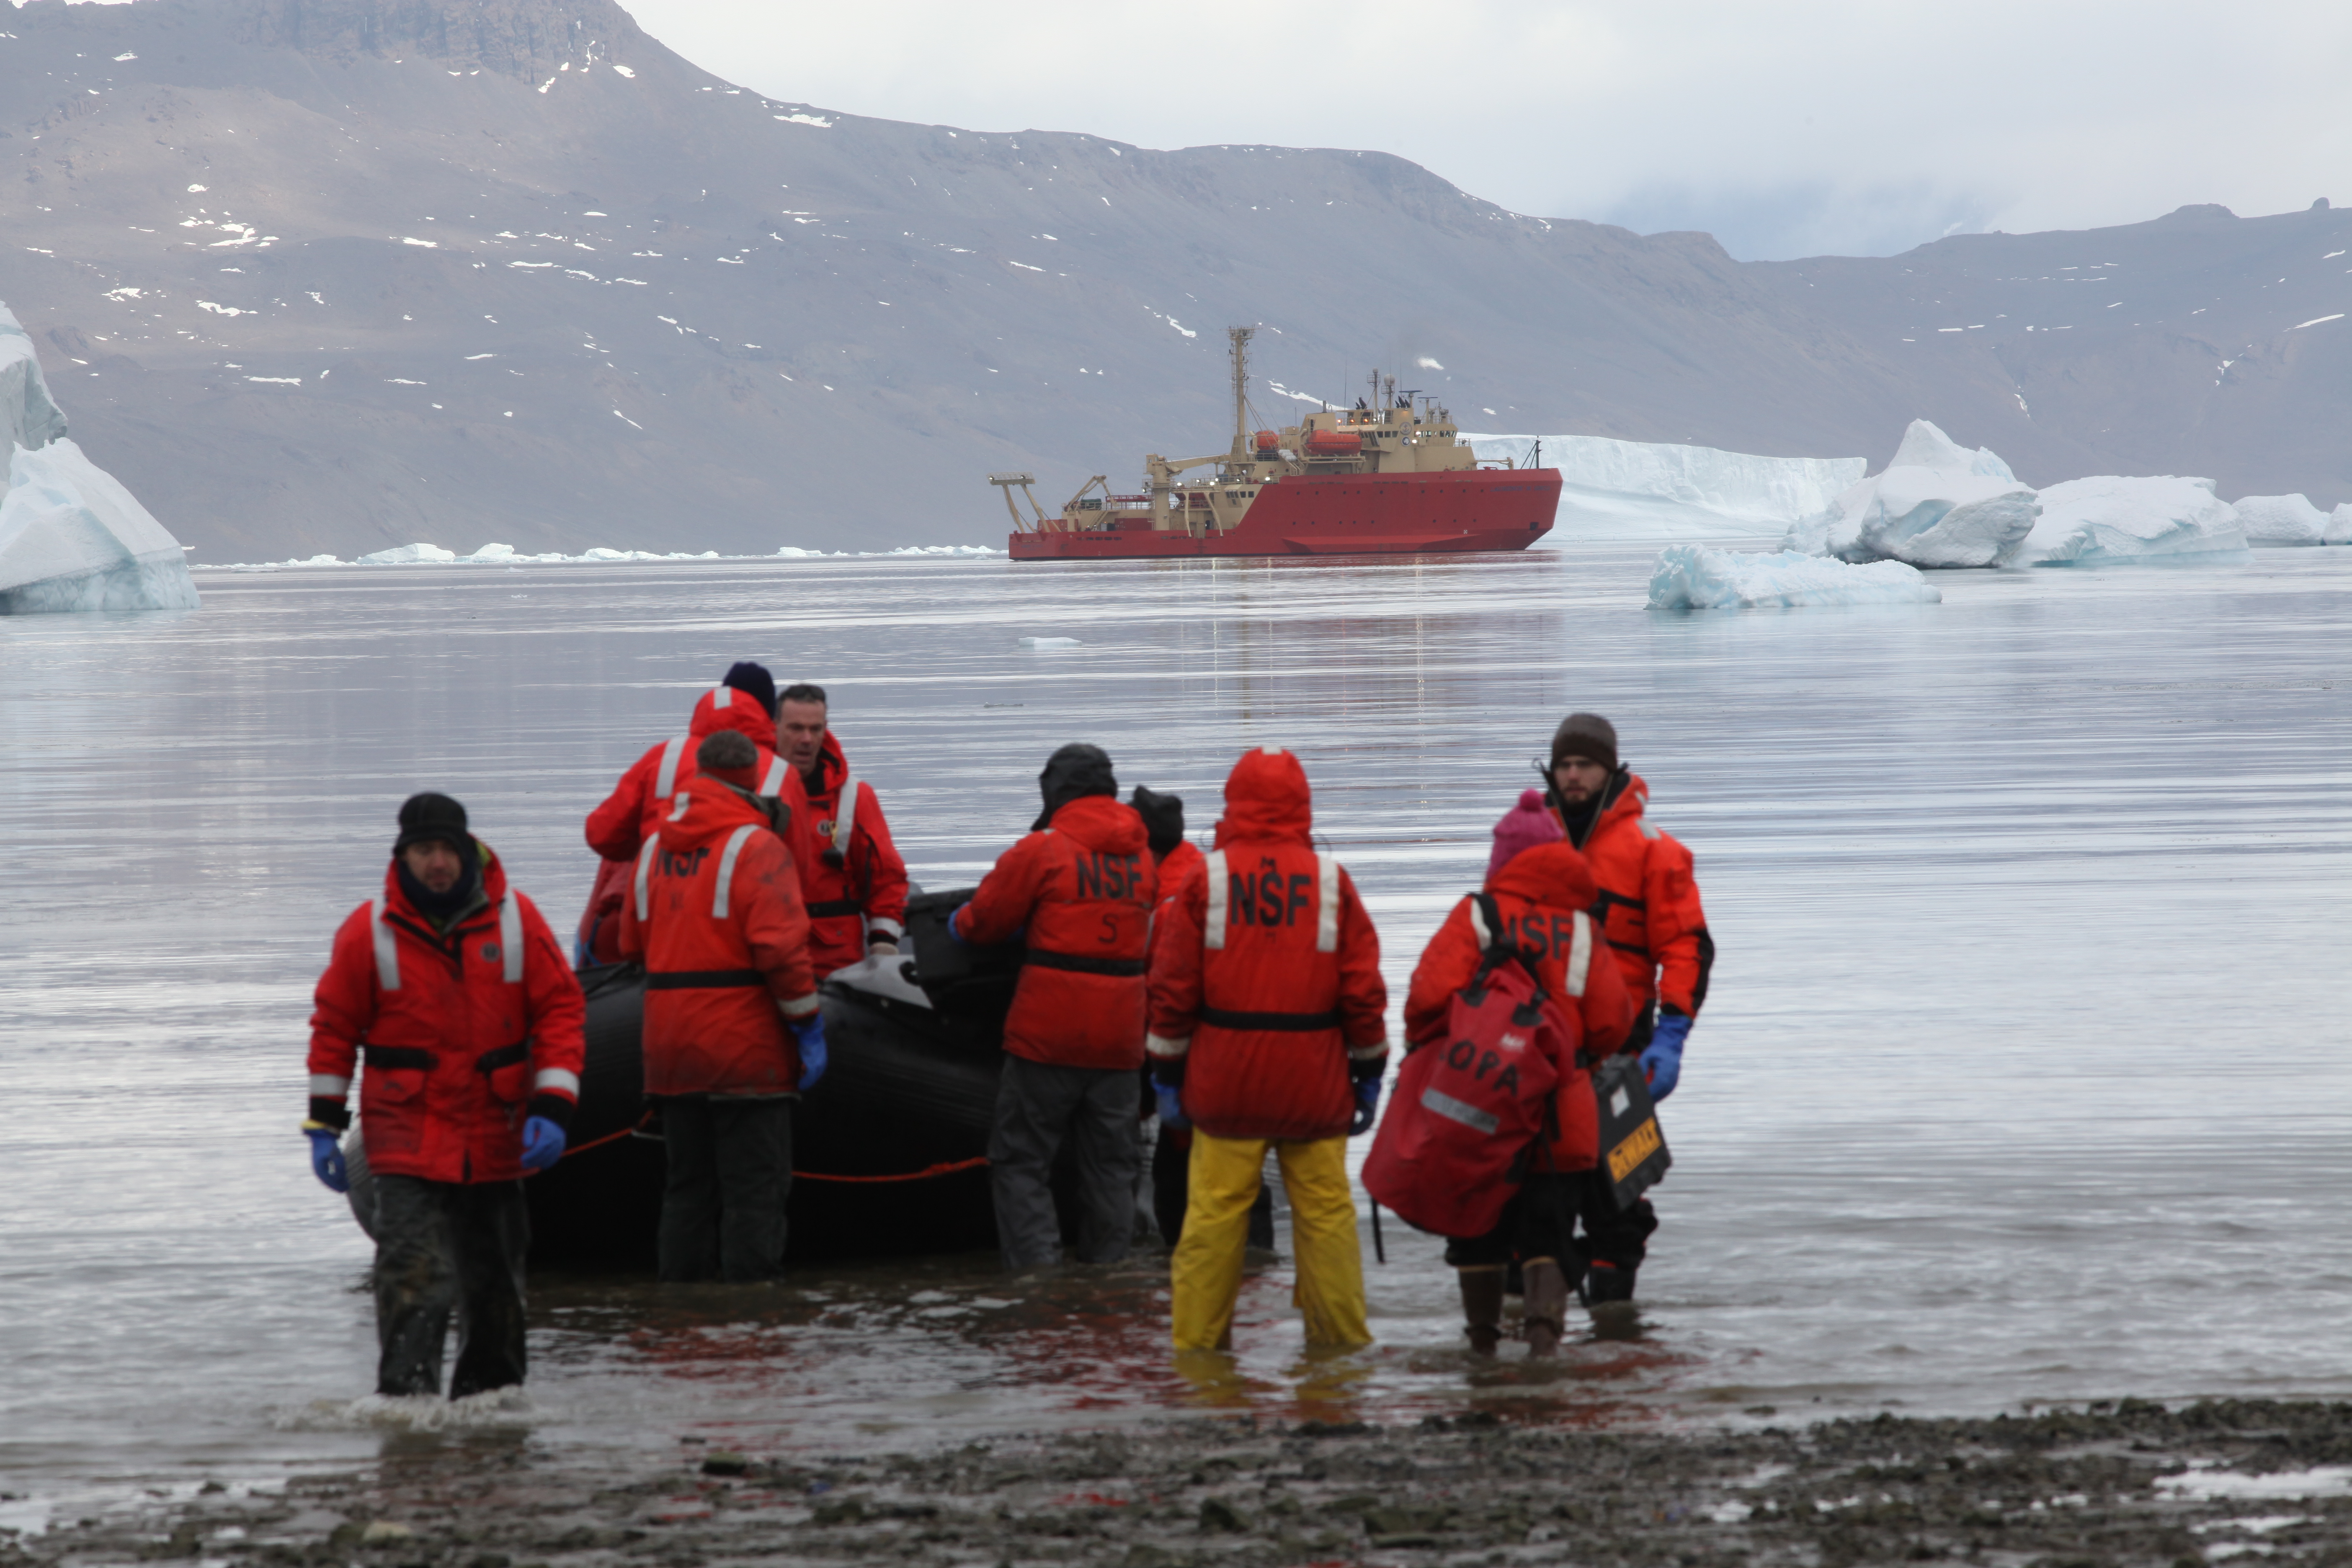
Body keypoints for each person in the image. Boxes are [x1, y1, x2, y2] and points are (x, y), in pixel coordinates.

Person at [304, 792, 587, 1398]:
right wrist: (324, 1126)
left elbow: (561, 1010)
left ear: (468, 850)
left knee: (497, 1289)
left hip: (495, 1134)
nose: (438, 862)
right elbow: (334, 1027)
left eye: (446, 849)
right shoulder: (368, 932)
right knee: (413, 1276)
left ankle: (493, 1412)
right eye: (423, 850)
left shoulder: (517, 920)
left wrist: (554, 1106)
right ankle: (409, 1414)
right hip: (405, 1138)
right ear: (402, 857)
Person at [1147, 746, 1389, 1352]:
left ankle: (1201, 1357)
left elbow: (1173, 990)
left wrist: (1167, 1075)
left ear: (1233, 804)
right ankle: (1338, 1353)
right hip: (1314, 1082)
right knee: (1326, 1218)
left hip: (1227, 1083)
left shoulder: (1207, 879)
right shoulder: (1334, 883)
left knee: (1212, 1221)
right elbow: (1363, 994)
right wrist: (1369, 1073)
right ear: (1303, 806)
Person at [1403, 790, 1635, 1356]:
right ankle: (1543, 1348)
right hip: (1563, 1113)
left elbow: (1424, 1001)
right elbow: (1613, 1024)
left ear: (1500, 860)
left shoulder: (1476, 917)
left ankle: (1482, 1347)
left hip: (1480, 1109)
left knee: (1477, 1229)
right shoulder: (1582, 930)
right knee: (1550, 1234)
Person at [618, 730, 823, 1282]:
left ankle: (683, 1315)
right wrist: (808, 1026)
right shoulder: (758, 848)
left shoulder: (652, 851)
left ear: (698, 776)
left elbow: (630, 946)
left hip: (669, 1049)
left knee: (687, 1188)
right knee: (755, 1189)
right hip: (744, 1051)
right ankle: (750, 1317)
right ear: (752, 781)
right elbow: (781, 951)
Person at [952, 744, 1156, 1270]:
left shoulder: (1041, 850)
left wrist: (959, 924)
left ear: (1055, 792)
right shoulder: (1142, 857)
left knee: (1021, 1161)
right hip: (1120, 1041)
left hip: (1048, 1035)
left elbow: (986, 922)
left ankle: (1039, 1281)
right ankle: (1107, 1280)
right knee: (1112, 1167)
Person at [1541, 714, 1714, 1303]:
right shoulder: (1531, 842)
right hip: (1541, 1049)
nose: (1572, 776)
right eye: (1564, 765)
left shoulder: (1653, 851)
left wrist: (1674, 1034)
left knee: (1618, 1199)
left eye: (1584, 765)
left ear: (1610, 770)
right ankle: (1536, 1340)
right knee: (1536, 1200)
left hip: (1625, 1051)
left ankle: (1616, 1337)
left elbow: (1688, 946)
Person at [576, 662, 799, 966]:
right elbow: (801, 874)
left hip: (650, 921)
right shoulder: (782, 773)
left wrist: (647, 845)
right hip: (734, 936)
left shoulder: (664, 756)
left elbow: (601, 834)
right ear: (770, 716)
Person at [771, 682, 909, 976]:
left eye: (815, 729)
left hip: (837, 967)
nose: (807, 739)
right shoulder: (748, 792)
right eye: (796, 728)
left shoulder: (856, 797)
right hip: (768, 958)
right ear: (775, 727)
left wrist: (883, 946)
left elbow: (887, 880)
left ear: (826, 729)